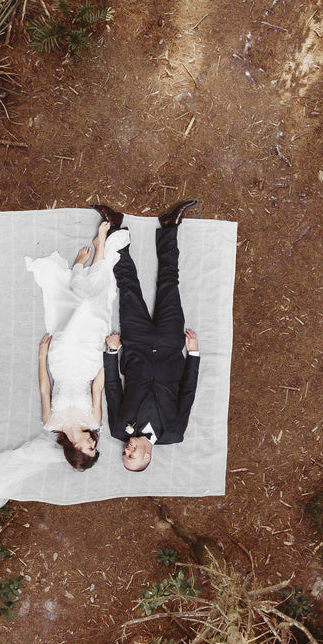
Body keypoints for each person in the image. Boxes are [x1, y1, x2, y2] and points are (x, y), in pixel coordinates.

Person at [94, 199, 201, 472]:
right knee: (169, 283)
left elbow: (113, 388)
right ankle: (169, 227)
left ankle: (116, 227)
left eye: (124, 456)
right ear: (147, 457)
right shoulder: (174, 433)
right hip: (169, 345)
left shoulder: (120, 429)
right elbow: (187, 393)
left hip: (136, 345)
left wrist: (112, 352)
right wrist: (194, 354)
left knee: (127, 285)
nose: (126, 451)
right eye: (131, 456)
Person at [25, 217, 129, 470]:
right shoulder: (94, 421)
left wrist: (42, 356)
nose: (94, 442)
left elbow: (44, 389)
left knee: (80, 308)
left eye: (90, 448)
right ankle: (98, 248)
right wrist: (110, 354)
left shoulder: (51, 423)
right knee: (94, 307)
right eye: (95, 446)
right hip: (88, 362)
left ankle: (79, 270)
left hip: (60, 362)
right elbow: (97, 389)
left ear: (75, 449)